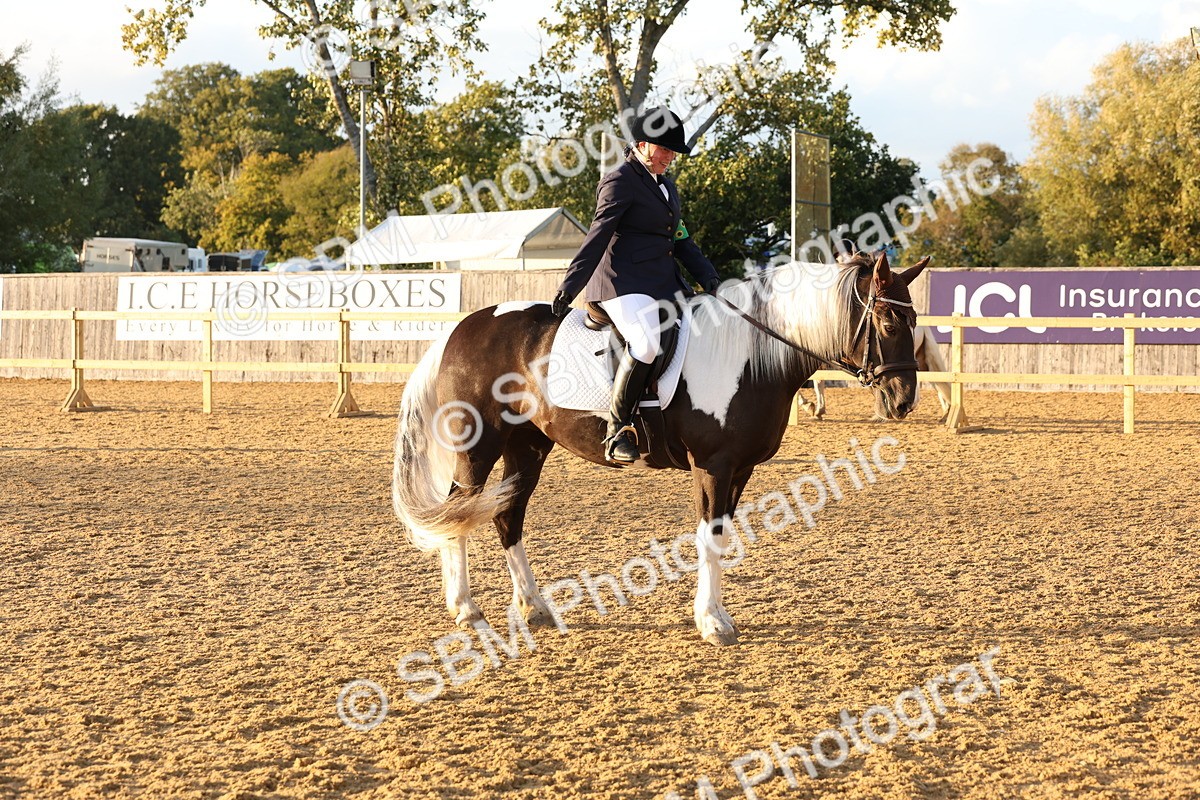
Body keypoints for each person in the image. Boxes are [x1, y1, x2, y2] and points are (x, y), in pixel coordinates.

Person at [551, 106, 721, 463]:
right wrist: (570, 285)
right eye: (664, 150)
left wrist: (709, 277)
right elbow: (598, 236)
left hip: (661, 284)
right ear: (642, 144)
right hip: (620, 283)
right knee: (645, 342)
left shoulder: (666, 187)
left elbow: (681, 240)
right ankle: (617, 430)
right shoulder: (620, 181)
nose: (670, 157)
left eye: (673, 152)